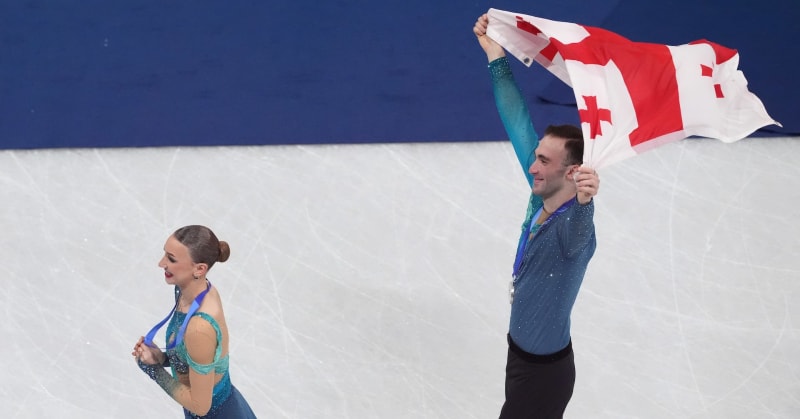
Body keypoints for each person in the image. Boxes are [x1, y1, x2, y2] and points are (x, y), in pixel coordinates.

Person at [473, 14, 600, 418]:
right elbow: (516, 119)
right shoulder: (540, 198)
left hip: (545, 378)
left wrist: (587, 200)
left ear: (572, 172)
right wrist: (496, 55)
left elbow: (582, 228)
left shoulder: (571, 231)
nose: (532, 166)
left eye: (543, 160)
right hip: (520, 358)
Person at [132, 225, 256, 418]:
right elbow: (194, 358)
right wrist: (162, 358)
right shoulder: (196, 290)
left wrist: (154, 370)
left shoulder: (199, 327)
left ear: (199, 268)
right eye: (165, 254)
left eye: (171, 259)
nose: (161, 263)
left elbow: (200, 406)